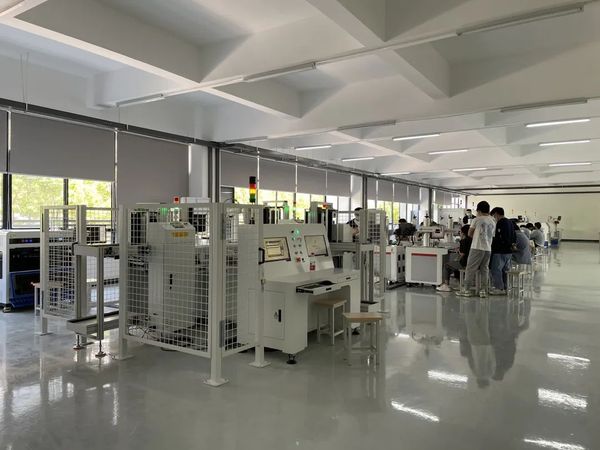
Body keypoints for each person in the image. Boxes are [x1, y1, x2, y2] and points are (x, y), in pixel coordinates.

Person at [459, 201, 495, 297]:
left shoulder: (476, 219)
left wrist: (476, 237)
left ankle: (466, 290)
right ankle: (483, 291)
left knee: (470, 268)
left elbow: (469, 233)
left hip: (477, 247)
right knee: (485, 269)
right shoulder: (493, 221)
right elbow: (492, 235)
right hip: (488, 248)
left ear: (479, 210)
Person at [489, 207, 516, 295]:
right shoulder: (510, 222)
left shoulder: (501, 222)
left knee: (496, 269)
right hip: (509, 251)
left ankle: (499, 288)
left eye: (493, 215)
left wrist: (493, 243)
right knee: (505, 270)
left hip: (500, 251)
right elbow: (514, 236)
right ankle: (505, 287)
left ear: (496, 214)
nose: (494, 218)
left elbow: (499, 237)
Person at [437, 224, 472, 292]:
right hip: (471, 262)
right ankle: (460, 283)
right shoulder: (472, 240)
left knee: (446, 265)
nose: (460, 234)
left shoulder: (463, 241)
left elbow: (462, 254)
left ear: (463, 233)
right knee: (454, 264)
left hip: (464, 263)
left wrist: (458, 251)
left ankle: (446, 285)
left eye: (460, 232)